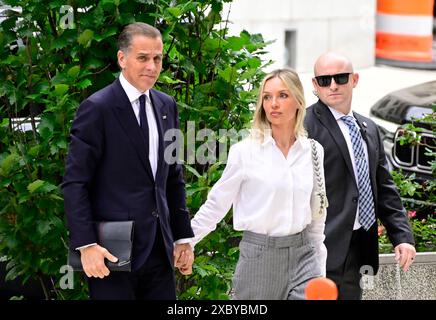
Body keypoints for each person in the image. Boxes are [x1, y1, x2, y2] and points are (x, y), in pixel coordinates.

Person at [62, 22, 194, 300]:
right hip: (112, 253)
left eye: (157, 58)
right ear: (122, 59)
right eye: (143, 57)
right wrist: (86, 246)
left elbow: (172, 177)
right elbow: (75, 183)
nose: (152, 66)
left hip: (160, 250)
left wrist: (182, 237)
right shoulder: (97, 109)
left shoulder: (166, 105)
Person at [189, 68, 328, 300]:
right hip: (260, 258)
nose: (274, 103)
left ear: (298, 101)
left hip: (306, 257)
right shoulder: (245, 152)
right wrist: (187, 242)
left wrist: (319, 266)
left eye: (283, 95)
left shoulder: (313, 150)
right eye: (267, 97)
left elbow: (317, 213)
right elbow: (217, 204)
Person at [304, 52, 416, 300]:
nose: (332, 85)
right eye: (324, 80)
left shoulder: (368, 127)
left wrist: (402, 237)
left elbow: (383, 187)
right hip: (320, 250)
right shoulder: (304, 126)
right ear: (315, 85)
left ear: (354, 79)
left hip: (358, 249)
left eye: (340, 78)